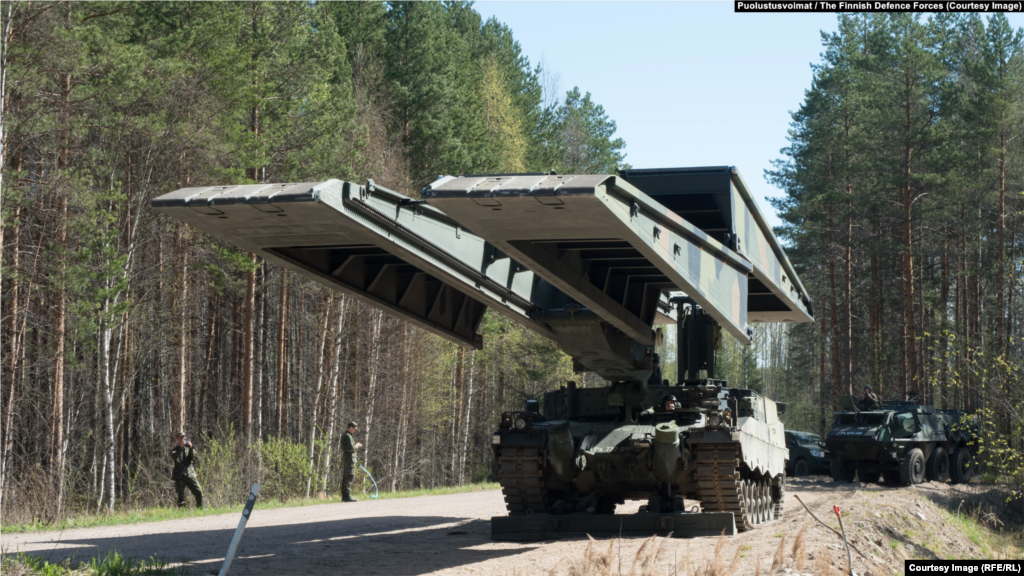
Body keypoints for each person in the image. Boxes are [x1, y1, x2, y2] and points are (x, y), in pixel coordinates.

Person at [170, 432, 203, 509]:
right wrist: (181, 447)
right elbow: (174, 456)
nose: (183, 439)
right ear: (177, 439)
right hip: (179, 475)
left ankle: (200, 509)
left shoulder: (189, 449)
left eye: (184, 437)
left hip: (190, 475)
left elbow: (194, 458)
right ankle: (182, 513)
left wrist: (191, 447)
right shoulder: (174, 450)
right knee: (180, 496)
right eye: (181, 438)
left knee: (198, 492)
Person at [341, 422, 363, 503]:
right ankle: (347, 496)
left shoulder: (346, 435)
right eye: (354, 429)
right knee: (349, 477)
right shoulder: (348, 436)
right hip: (349, 460)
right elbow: (350, 448)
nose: (355, 431)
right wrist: (357, 446)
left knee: (346, 477)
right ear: (351, 427)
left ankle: (345, 496)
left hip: (348, 460)